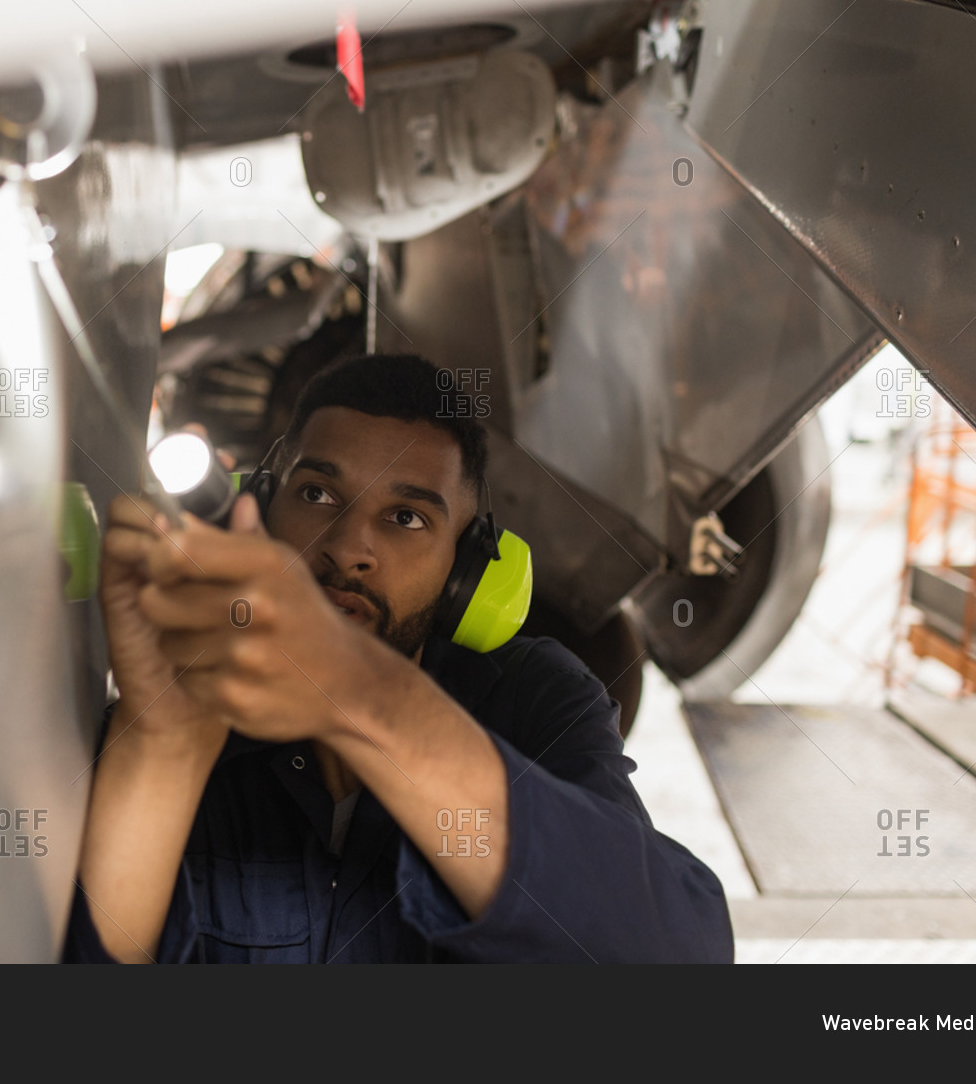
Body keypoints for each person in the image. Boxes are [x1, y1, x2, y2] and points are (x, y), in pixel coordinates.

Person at [63, 353, 733, 962]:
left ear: (467, 570)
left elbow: (674, 956)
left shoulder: (535, 697)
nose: (348, 545)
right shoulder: (199, 692)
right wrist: (165, 735)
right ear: (257, 508)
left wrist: (363, 695)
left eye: (406, 517)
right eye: (318, 494)